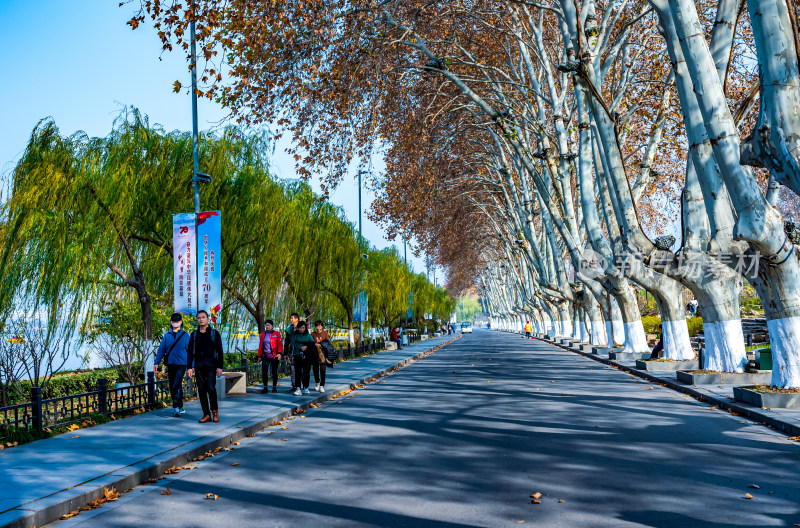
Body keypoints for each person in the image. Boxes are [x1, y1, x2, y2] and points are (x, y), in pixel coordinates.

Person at [187, 310, 224, 423]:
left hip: (211, 366)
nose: (201, 319)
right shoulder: (194, 334)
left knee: (211, 388)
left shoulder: (214, 333)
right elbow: (189, 352)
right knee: (201, 390)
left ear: (208, 319)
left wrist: (219, 367)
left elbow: (220, 351)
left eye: (203, 317)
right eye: (199, 318)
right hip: (199, 366)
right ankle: (206, 414)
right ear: (197, 320)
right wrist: (189, 367)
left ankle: (215, 411)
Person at [154, 313, 191, 417]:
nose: (175, 323)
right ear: (171, 322)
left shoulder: (185, 335)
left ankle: (175, 406)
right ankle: (181, 405)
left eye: (177, 321)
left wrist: (190, 367)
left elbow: (190, 352)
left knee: (176, 384)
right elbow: (161, 350)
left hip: (181, 364)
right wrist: (156, 362)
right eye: (173, 321)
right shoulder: (167, 335)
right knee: (174, 385)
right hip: (171, 364)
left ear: (181, 322)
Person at [257, 319, 283, 393]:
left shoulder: (276, 334)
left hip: (274, 356)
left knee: (274, 372)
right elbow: (260, 345)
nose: (267, 327)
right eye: (266, 325)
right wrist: (259, 356)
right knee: (264, 371)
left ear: (272, 326)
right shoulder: (263, 334)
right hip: (265, 356)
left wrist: (279, 353)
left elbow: (280, 344)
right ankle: (265, 387)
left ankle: (274, 387)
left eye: (269, 325)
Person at [292, 320, 315, 395]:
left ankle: (306, 387)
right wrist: (294, 326)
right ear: (298, 328)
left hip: (306, 356)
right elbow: (287, 331)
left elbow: (313, 344)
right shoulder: (295, 335)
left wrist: (307, 347)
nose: (302, 329)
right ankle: (298, 388)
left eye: (303, 328)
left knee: (306, 372)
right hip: (297, 355)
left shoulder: (308, 336)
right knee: (297, 373)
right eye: (300, 328)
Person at [310, 320, 331, 393]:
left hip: (323, 355)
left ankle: (322, 385)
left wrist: (321, 344)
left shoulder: (325, 333)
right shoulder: (313, 334)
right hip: (315, 355)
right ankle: (317, 382)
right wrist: (316, 345)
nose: (318, 328)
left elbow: (328, 343)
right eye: (317, 326)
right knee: (315, 370)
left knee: (323, 370)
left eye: (319, 326)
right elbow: (311, 343)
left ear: (322, 326)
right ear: (315, 327)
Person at [284, 313, 300, 393]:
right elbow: (286, 342)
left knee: (300, 370)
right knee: (292, 369)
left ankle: (301, 385)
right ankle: (294, 385)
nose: (291, 320)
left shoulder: (301, 328)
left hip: (300, 353)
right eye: (290, 318)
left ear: (297, 319)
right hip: (292, 352)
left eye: (292, 318)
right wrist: (285, 353)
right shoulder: (290, 329)